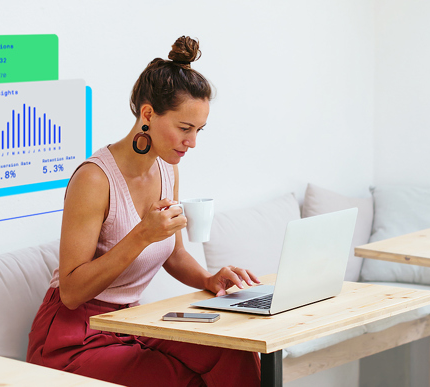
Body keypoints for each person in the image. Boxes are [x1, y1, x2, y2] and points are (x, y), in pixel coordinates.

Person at [26, 36, 261, 387]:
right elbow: (72, 293)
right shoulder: (94, 179)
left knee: (235, 351)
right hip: (75, 335)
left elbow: (175, 253)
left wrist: (208, 280)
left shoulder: (168, 168)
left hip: (133, 321)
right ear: (148, 114)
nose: (192, 142)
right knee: (182, 379)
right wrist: (141, 235)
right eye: (184, 128)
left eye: (198, 130)